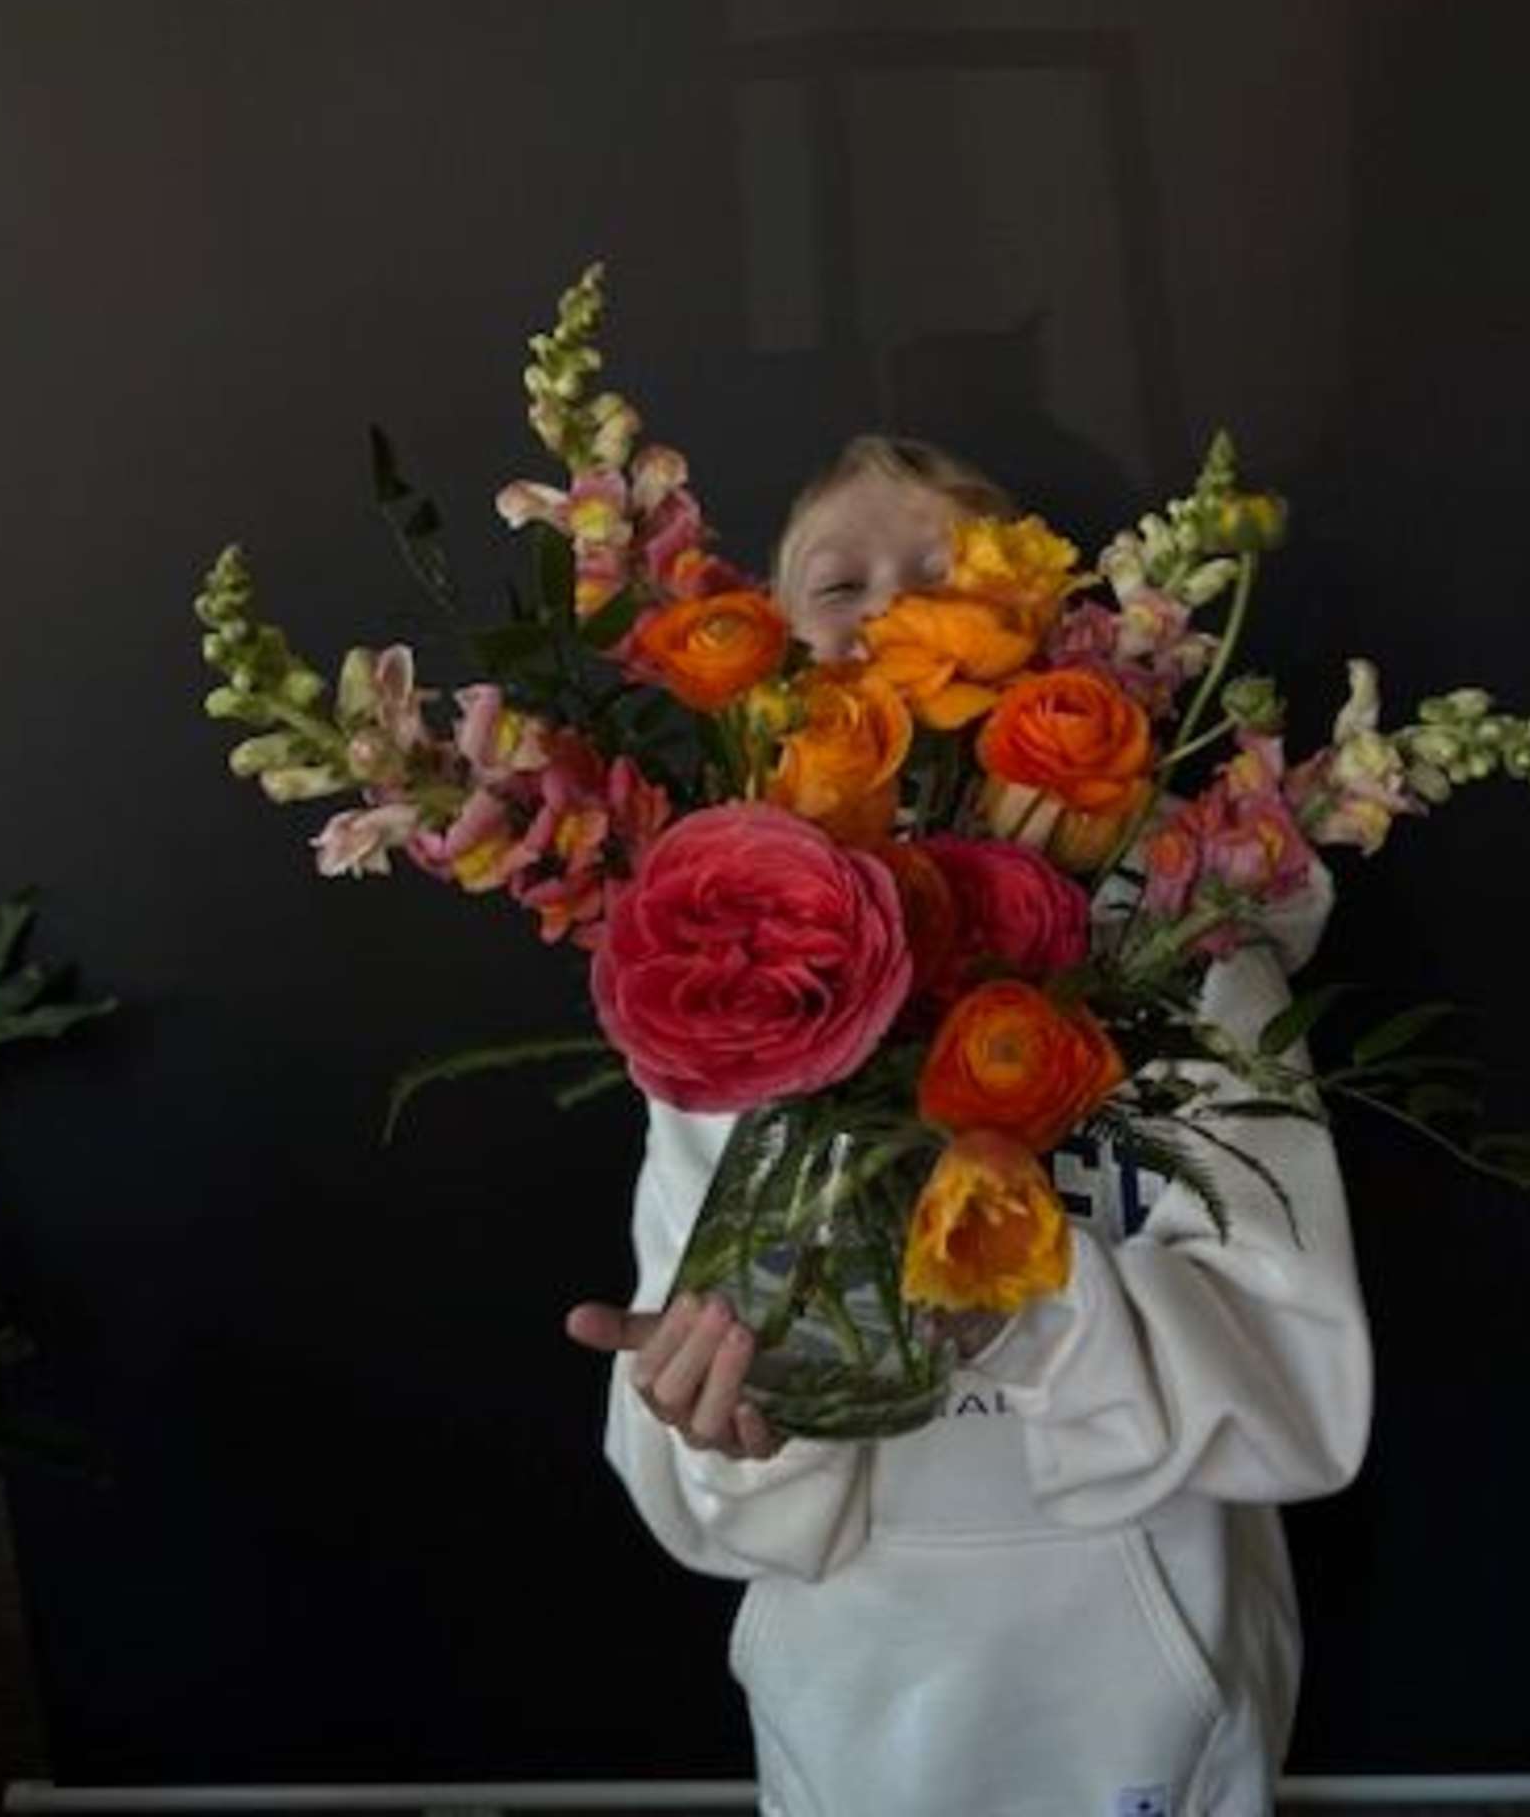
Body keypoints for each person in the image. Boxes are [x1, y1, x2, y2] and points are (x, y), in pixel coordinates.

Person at [567, 433, 1372, 1817]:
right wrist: (728, 1420)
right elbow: (693, 1481)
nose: (889, 614)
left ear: (1047, 642)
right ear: (765, 650)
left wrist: (1024, 1302)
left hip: (1152, 1695)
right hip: (857, 1701)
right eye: (841, 583)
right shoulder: (726, 1001)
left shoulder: (1189, 958)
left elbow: (1303, 1390)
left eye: (942, 576)